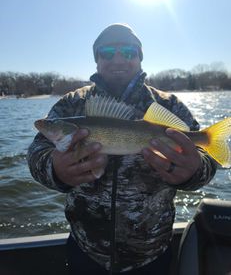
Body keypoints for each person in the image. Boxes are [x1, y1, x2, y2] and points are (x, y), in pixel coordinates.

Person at [27, 23, 217, 275]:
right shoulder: (72, 104)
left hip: (151, 256)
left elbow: (207, 162)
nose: (118, 59)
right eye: (107, 52)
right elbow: (36, 152)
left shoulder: (168, 105)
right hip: (86, 252)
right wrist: (54, 169)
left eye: (128, 52)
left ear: (139, 58)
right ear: (97, 60)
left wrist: (194, 171)